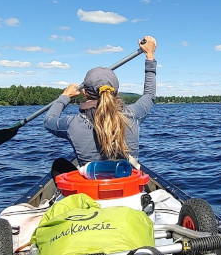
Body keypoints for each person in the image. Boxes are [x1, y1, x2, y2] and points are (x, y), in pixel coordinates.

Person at [44, 36, 157, 166]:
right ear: (117, 92)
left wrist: (64, 97)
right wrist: (150, 56)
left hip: (93, 184)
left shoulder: (72, 124)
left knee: (59, 164)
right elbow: (149, 95)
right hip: (127, 185)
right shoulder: (133, 115)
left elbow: (48, 121)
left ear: (85, 93)